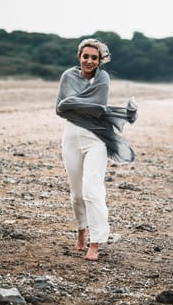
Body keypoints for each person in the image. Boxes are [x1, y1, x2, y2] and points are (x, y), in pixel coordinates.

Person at [56, 38, 137, 261]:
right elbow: (60, 108)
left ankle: (95, 242)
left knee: (92, 190)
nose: (89, 61)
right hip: (71, 138)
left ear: (100, 60)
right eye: (86, 56)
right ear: (79, 57)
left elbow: (96, 109)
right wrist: (78, 106)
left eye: (94, 58)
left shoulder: (103, 78)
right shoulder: (67, 77)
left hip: (96, 139)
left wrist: (74, 104)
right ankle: (81, 230)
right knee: (77, 194)